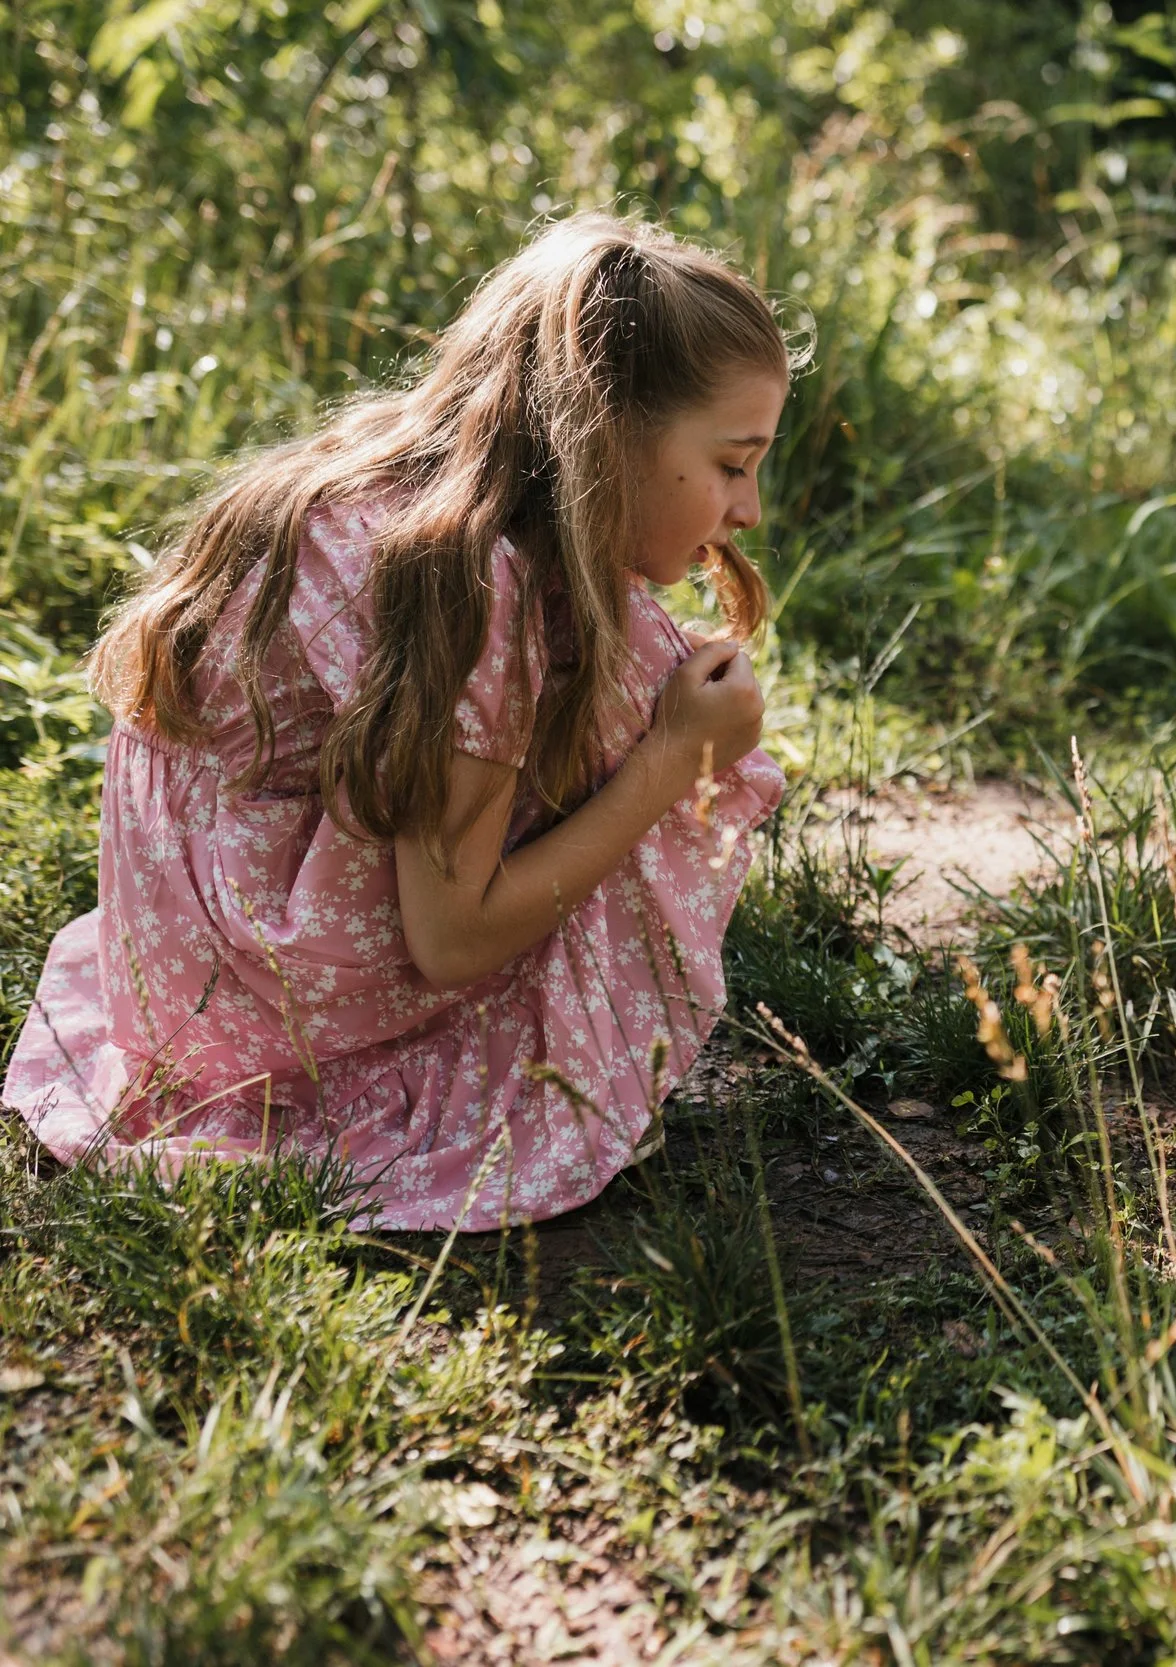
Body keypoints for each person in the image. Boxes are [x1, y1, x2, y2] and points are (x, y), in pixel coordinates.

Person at [2, 215, 787, 1232]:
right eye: (732, 464)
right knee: (643, 685)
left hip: (177, 962)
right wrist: (673, 757)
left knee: (620, 643)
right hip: (259, 983)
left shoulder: (417, 489)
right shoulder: (471, 577)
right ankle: (442, 1063)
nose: (751, 509)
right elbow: (451, 939)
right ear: (605, 434)